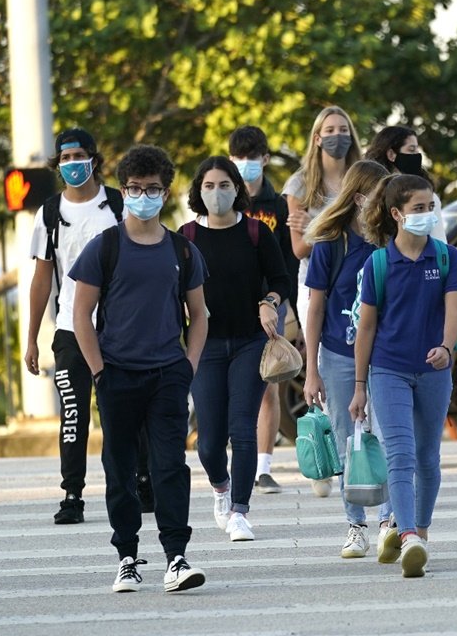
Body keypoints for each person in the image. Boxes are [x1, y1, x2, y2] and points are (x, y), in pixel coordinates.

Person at [69, 143, 208, 593]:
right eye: (133, 188)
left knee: (170, 467)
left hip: (168, 374)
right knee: (120, 468)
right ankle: (127, 556)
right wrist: (98, 371)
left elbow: (200, 314)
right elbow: (80, 315)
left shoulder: (182, 250)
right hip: (117, 375)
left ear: (165, 192)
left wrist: (188, 365)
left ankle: (177, 557)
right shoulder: (104, 247)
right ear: (123, 190)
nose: (142, 195)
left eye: (151, 188)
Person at [23, 128, 155, 523]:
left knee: (126, 410)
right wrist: (31, 338)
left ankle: (141, 479)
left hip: (120, 329)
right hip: (69, 330)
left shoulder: (118, 205)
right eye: (64, 158)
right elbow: (42, 278)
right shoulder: (49, 213)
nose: (71, 164)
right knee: (74, 413)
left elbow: (144, 259)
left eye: (78, 155)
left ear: (94, 159)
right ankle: (72, 495)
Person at [349, 174, 457, 578]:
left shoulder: (447, 257)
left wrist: (447, 347)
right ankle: (408, 535)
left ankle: (421, 530)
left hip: (434, 370)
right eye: (418, 208)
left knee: (427, 457)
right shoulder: (378, 262)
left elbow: (456, 309)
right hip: (388, 369)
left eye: (430, 206)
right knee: (399, 454)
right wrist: (360, 386)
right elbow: (365, 328)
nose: (427, 214)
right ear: (397, 214)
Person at [180, 156, 291, 543]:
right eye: (209, 186)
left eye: (224, 185)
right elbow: (173, 288)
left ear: (237, 190)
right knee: (209, 441)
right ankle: (221, 487)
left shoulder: (256, 232)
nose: (217, 193)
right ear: (198, 192)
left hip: (249, 342)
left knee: (242, 427)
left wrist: (270, 301)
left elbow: (281, 278)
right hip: (205, 344)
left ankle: (241, 511)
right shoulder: (187, 237)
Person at [301, 160, 390, 559]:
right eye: (381, 196)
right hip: (338, 354)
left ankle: (391, 521)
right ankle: (356, 525)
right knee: (347, 440)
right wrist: (311, 370)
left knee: (389, 437)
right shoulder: (331, 245)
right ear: (359, 198)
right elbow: (314, 309)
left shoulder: (390, 241)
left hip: (386, 355)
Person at [284, 105, 362, 496]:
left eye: (342, 128)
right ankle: (324, 453)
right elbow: (299, 247)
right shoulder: (300, 185)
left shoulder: (363, 176)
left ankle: (355, 451)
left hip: (357, 275)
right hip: (314, 280)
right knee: (322, 366)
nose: (336, 135)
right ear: (317, 138)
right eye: (329, 129)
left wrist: (319, 226)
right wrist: (337, 226)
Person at [230, 125, 298, 495]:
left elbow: (288, 264)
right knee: (233, 387)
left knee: (269, 382)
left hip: (272, 305)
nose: (246, 164)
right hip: (234, 306)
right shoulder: (225, 201)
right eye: (239, 158)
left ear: (265, 160)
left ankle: (264, 466)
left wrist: (281, 304)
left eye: (253, 157)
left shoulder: (280, 206)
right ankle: (238, 458)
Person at [364, 126, 447, 241]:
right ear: (391, 154)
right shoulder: (370, 196)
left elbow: (439, 240)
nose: (417, 156)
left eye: (417, 150)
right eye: (411, 150)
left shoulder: (428, 197)